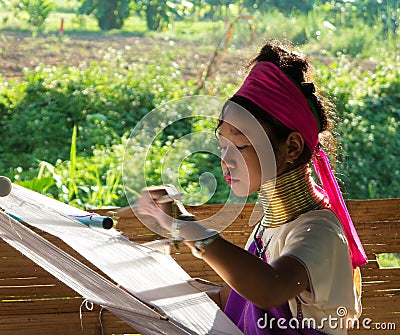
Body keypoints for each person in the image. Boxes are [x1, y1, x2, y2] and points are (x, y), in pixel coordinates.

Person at [137, 39, 367, 335]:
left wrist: (186, 225)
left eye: (241, 145)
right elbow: (233, 298)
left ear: (292, 147)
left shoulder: (319, 231)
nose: (226, 161)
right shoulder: (267, 224)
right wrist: (149, 299)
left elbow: (270, 288)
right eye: (222, 146)